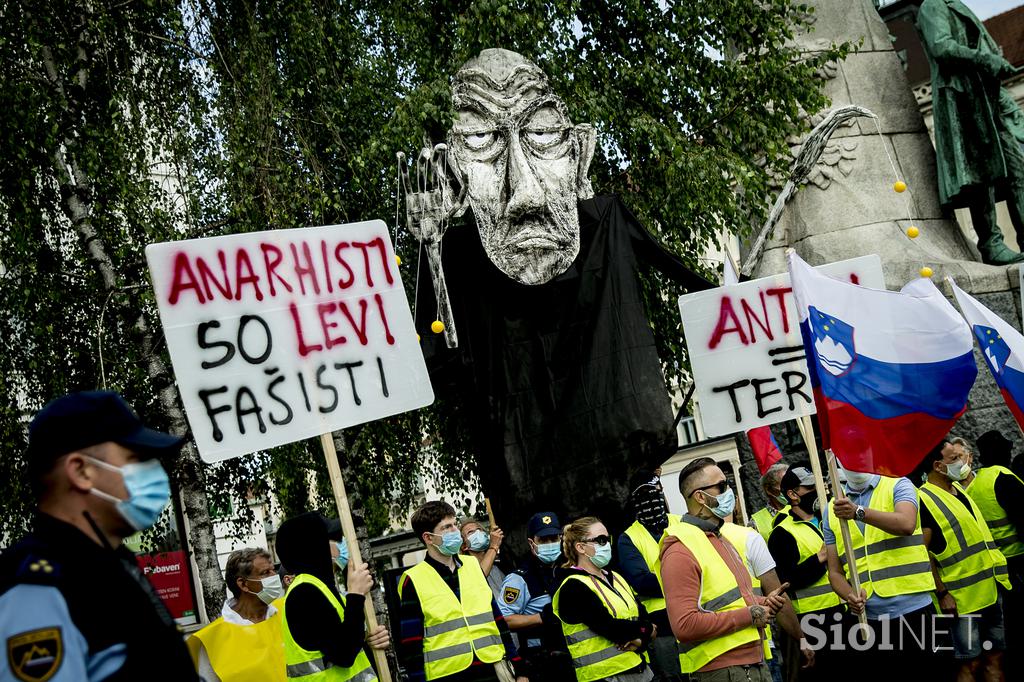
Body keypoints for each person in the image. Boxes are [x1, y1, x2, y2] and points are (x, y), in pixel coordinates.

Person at [0, 390, 198, 680]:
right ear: (81, 472)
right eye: (136, 458)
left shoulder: (112, 562)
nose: (155, 471)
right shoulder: (37, 588)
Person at [659, 457, 788, 681]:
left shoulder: (720, 538)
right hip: (721, 670)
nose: (729, 490)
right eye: (722, 486)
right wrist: (751, 614)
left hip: (752, 664)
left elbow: (732, 602)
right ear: (700, 496)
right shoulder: (680, 549)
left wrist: (765, 604)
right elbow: (684, 626)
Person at [917, 0, 1024, 265]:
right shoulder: (932, 5)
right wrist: (984, 59)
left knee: (1018, 170)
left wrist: (993, 63)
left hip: (988, 99)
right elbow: (940, 46)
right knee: (980, 172)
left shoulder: (955, 4)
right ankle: (991, 242)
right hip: (963, 99)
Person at [821, 461, 937, 670]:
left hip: (914, 611)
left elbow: (906, 524)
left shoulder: (898, 484)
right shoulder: (831, 510)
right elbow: (835, 572)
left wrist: (857, 512)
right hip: (870, 619)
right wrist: (849, 595)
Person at [398, 501, 525, 682]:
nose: (455, 531)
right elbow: (411, 644)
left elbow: (497, 620)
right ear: (428, 537)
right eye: (446, 527)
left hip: (493, 668)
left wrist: (519, 667)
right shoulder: (414, 580)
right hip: (448, 675)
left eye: (454, 524)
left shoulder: (473, 566)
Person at [917, 438, 1009, 679]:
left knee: (995, 656)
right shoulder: (924, 499)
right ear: (938, 466)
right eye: (954, 459)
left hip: (989, 590)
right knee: (969, 663)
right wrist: (942, 593)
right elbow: (921, 553)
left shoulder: (959, 491)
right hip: (960, 602)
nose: (963, 462)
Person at [276, 512, 390, 681]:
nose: (342, 545)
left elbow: (342, 640)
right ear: (315, 547)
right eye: (333, 540)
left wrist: (368, 639)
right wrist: (356, 595)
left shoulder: (322, 589)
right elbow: (344, 654)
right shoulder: (304, 594)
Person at [552, 516, 656, 682]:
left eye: (608, 539)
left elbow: (643, 614)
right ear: (580, 547)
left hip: (641, 671)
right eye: (600, 540)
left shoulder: (616, 577)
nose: (607, 544)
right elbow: (609, 627)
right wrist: (647, 630)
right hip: (605, 677)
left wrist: (641, 635)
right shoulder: (573, 587)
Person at [767, 465, 839, 681]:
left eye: (819, 484)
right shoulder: (782, 533)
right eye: (810, 487)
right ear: (792, 494)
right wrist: (819, 559)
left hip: (845, 612)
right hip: (813, 621)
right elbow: (786, 581)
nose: (819, 490)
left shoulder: (831, 518)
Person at [719, 518, 811, 682]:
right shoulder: (747, 536)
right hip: (757, 646)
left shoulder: (685, 541)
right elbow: (778, 596)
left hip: (711, 657)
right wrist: (801, 640)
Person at [617, 471, 682, 681]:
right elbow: (643, 583)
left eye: (653, 493)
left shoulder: (682, 523)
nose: (650, 501)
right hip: (662, 630)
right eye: (643, 496)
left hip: (697, 618)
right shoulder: (628, 538)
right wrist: (686, 575)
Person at [968, 430, 1024, 671]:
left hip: (995, 567)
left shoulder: (975, 484)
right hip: (1018, 561)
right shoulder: (1005, 478)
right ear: (1005, 452)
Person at [188, 548, 286, 681]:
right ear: (243, 584)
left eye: (273, 570)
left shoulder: (287, 612)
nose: (274, 576)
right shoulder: (212, 640)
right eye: (265, 573)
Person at [498, 512, 571, 681]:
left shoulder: (568, 569)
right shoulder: (520, 579)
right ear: (532, 543)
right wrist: (542, 617)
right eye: (543, 540)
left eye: (553, 539)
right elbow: (504, 620)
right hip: (541, 661)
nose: (550, 544)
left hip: (573, 654)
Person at [461, 519, 506, 602]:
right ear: (464, 546)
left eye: (479, 529)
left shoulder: (497, 566)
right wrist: (494, 546)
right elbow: (480, 576)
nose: (478, 533)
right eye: (471, 532)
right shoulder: (465, 570)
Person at [751, 463, 790, 542]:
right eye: (785, 485)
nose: (791, 490)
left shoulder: (804, 509)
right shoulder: (755, 523)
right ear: (768, 490)